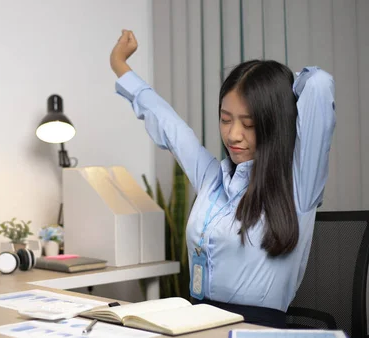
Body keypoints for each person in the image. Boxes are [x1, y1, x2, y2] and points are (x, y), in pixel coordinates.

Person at [110, 29, 336, 328]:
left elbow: (320, 85)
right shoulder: (212, 178)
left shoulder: (298, 185)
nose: (233, 135)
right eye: (225, 119)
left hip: (257, 330)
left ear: (273, 122)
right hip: (197, 324)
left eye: (250, 124)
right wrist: (119, 65)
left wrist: (276, 85)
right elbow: (170, 125)